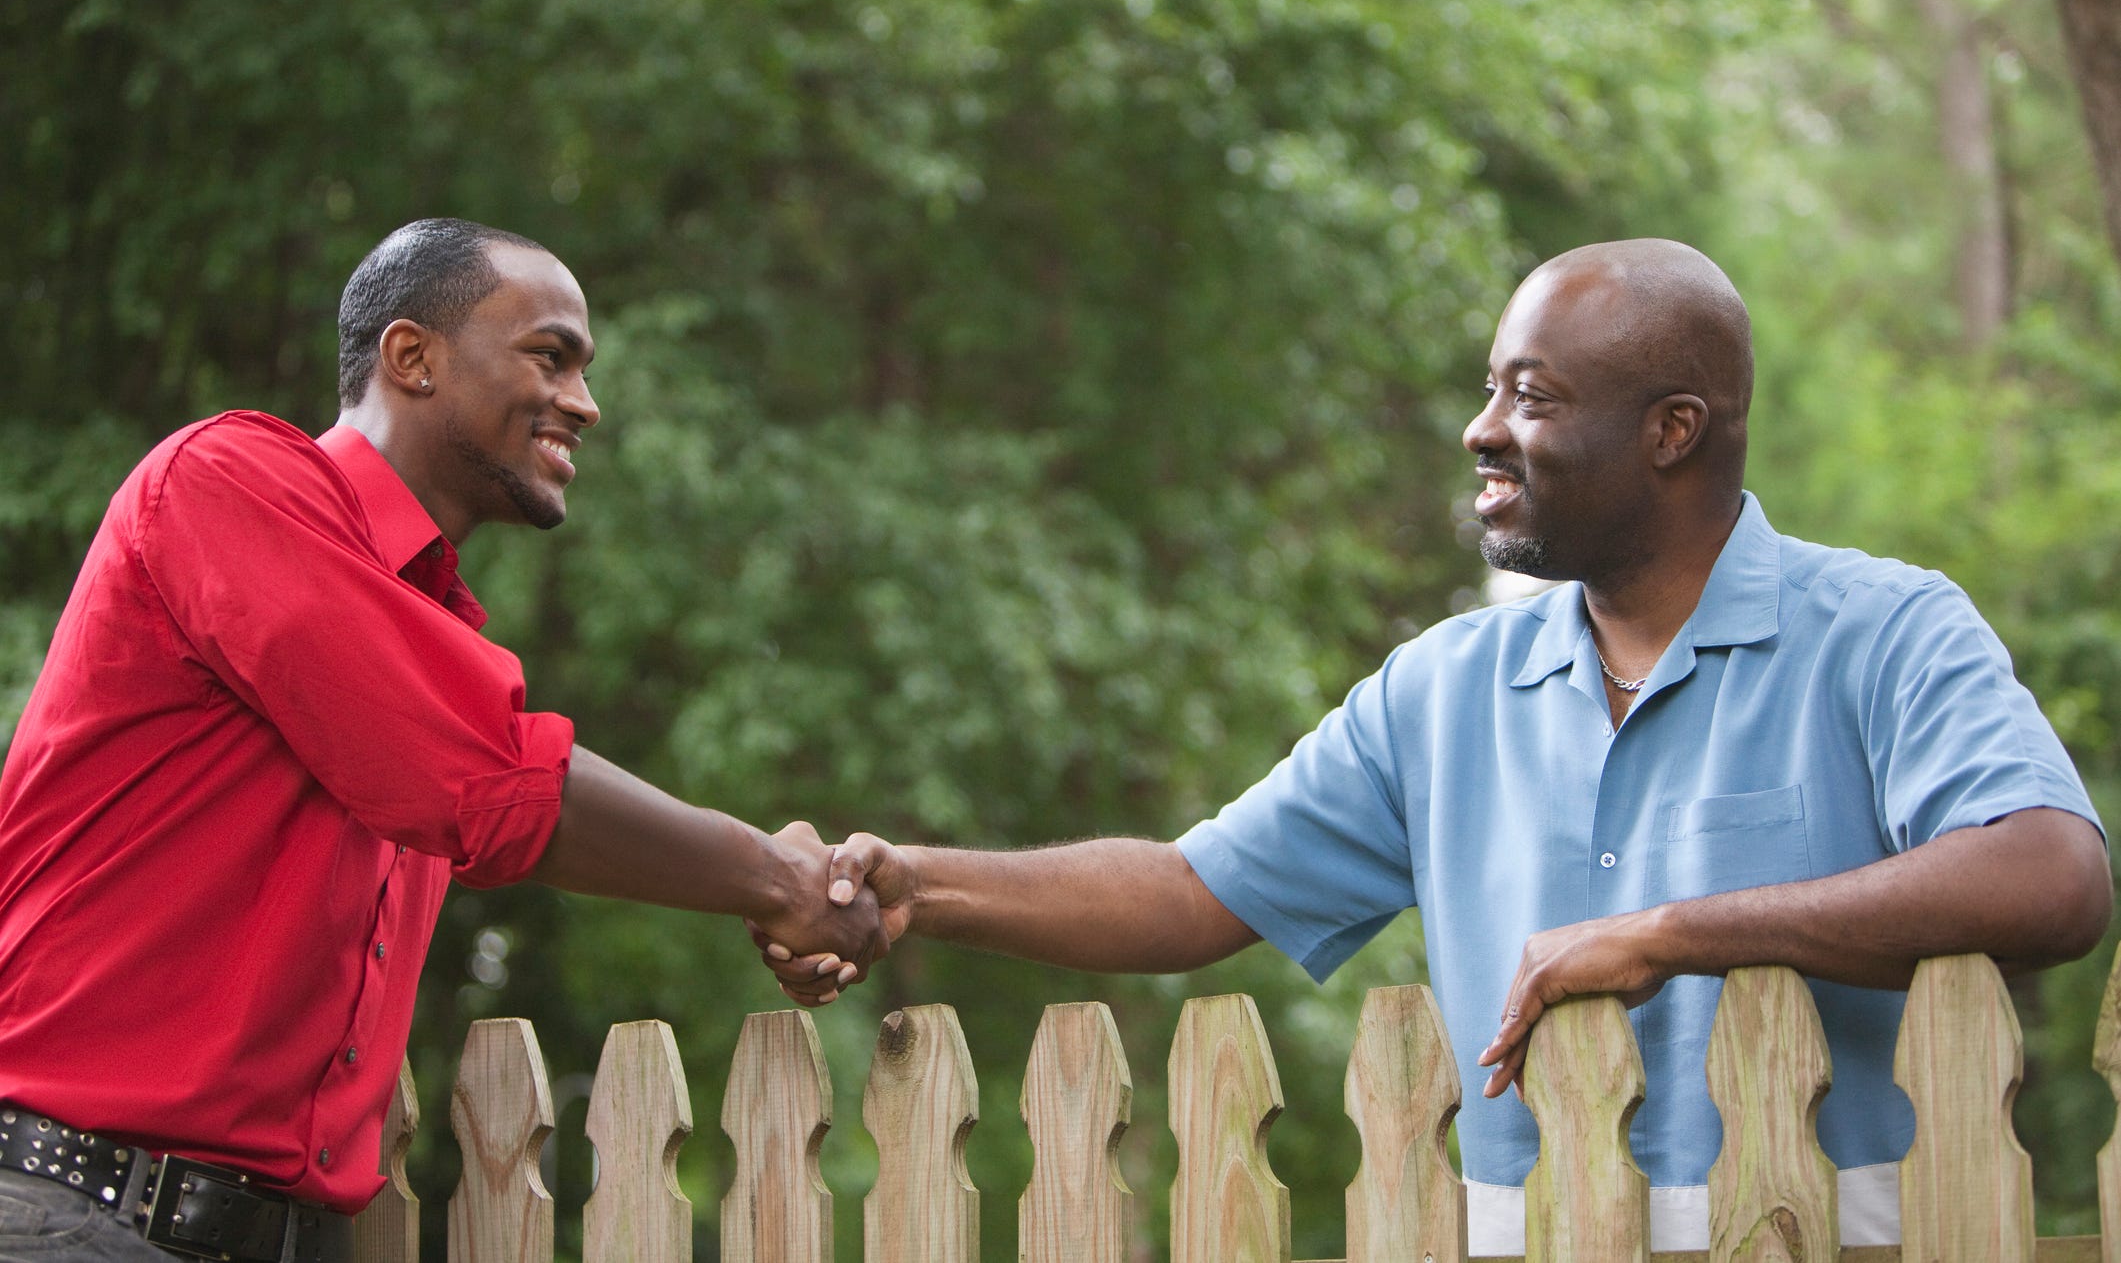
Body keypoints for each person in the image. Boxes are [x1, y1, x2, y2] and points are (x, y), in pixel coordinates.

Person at [762, 238, 2112, 1253]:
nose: (1481, 429)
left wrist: (1673, 930)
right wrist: (919, 886)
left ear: (1671, 430)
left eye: (1530, 394)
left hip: (1836, 1230)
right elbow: (1191, 890)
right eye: (1489, 389)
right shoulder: (1445, 685)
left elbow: (2049, 878)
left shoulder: (1883, 629)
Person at [0, 219, 880, 1263]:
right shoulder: (224, 482)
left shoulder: (429, 636)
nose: (585, 402)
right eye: (549, 355)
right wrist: (780, 880)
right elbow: (491, 779)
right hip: (74, 1212)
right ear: (411, 358)